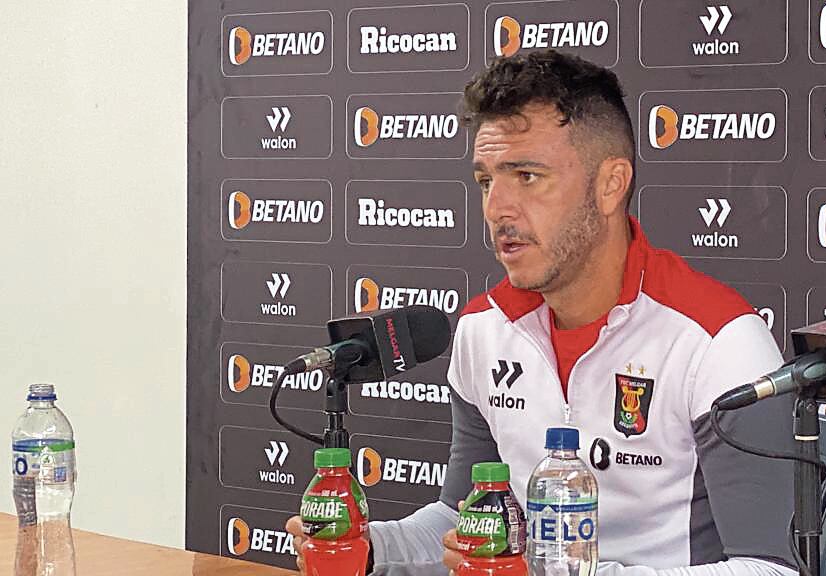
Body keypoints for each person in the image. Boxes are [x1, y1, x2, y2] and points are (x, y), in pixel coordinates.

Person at [287, 50, 798, 576]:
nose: (496, 209)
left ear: (610, 184)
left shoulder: (718, 340)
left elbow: (770, 570)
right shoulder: (483, 330)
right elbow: (460, 522)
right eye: (486, 181)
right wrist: (371, 549)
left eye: (527, 176)